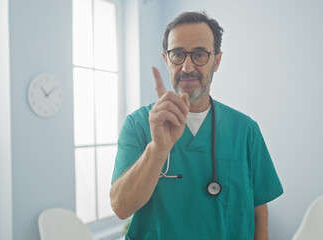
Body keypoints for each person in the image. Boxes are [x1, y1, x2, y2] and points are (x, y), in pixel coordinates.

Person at [110, 11, 283, 240]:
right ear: (166, 59)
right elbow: (121, 207)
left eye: (199, 54)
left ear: (216, 61)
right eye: (178, 54)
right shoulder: (139, 124)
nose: (187, 67)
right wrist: (158, 150)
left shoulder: (245, 130)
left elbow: (259, 211)